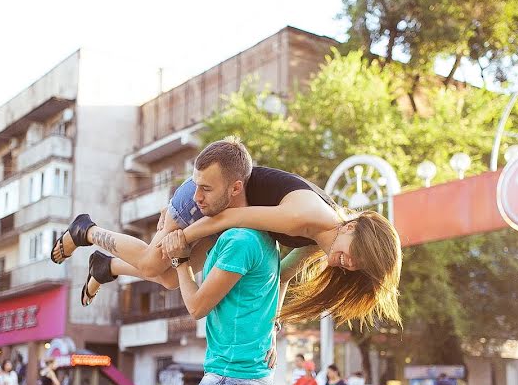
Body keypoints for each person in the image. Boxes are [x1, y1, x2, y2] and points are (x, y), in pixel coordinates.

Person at [133, 141, 323, 385]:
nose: (196, 197)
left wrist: (183, 261)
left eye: (206, 189)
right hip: (251, 378)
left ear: (236, 189)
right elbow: (285, 274)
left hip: (229, 378)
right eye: (196, 187)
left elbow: (198, 305)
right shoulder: (264, 238)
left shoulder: (240, 240)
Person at [51, 136, 402, 329]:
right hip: (211, 195)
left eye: (358, 267)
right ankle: (86, 230)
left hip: (229, 211)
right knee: (150, 264)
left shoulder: (317, 242)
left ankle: (105, 267)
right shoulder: (304, 215)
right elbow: (222, 221)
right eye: (358, 254)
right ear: (354, 226)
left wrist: (271, 335)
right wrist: (180, 239)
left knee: (174, 279)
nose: (349, 263)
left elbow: (279, 278)